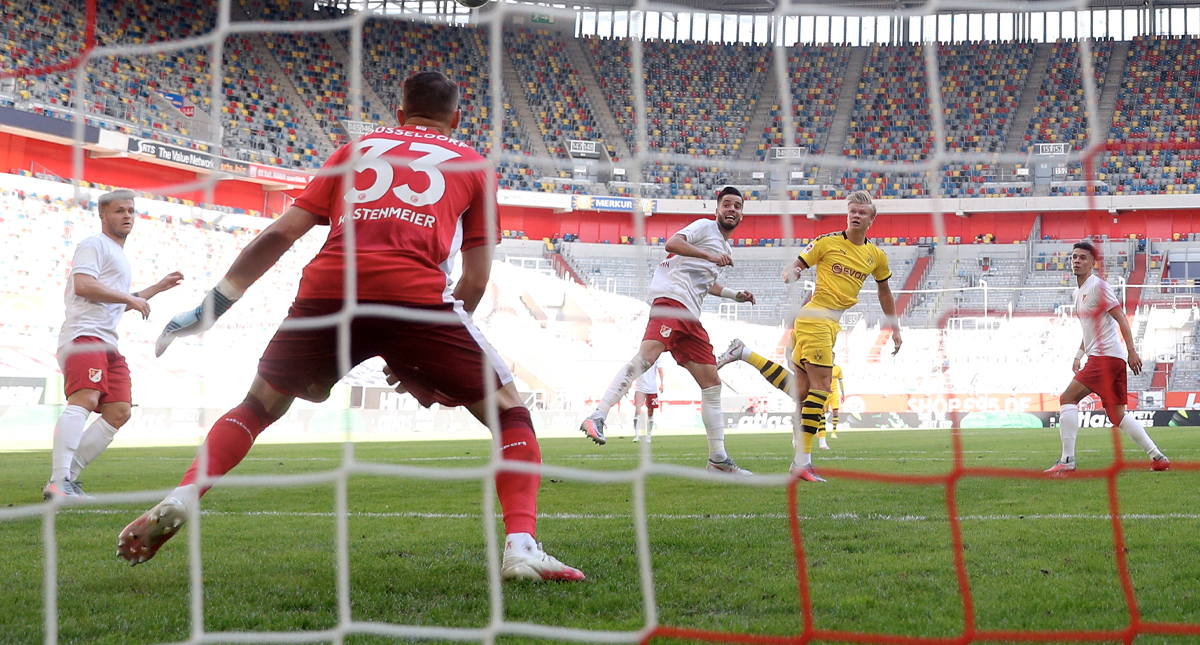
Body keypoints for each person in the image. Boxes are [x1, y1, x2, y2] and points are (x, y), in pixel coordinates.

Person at [116, 71, 584, 582]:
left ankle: (184, 494)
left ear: (400, 115)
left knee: (257, 406)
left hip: (328, 290)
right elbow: (473, 279)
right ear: (455, 119)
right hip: (416, 298)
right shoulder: (472, 163)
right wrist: (420, 362)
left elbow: (281, 233)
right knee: (510, 413)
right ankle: (520, 545)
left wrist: (214, 305)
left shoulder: (355, 150)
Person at [719, 191, 900, 482]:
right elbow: (795, 266)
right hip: (815, 318)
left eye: (861, 212)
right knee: (823, 387)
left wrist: (895, 328)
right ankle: (802, 462)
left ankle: (743, 353)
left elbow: (885, 292)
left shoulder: (876, 256)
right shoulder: (826, 242)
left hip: (829, 326)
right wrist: (791, 273)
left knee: (801, 392)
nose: (855, 216)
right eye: (852, 211)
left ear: (871, 219)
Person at [580, 187, 757, 475]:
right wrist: (708, 255)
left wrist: (735, 294)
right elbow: (672, 244)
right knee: (646, 358)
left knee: (712, 383)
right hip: (671, 302)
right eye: (727, 204)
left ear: (741, 215)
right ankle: (597, 416)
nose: (732, 210)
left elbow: (704, 282)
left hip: (690, 315)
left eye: (737, 206)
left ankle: (718, 459)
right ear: (717, 210)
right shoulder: (704, 227)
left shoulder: (726, 249)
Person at [44, 189, 183, 500]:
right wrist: (129, 297)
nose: (127, 216)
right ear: (103, 215)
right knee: (86, 398)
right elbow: (83, 285)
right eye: (120, 211)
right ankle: (58, 480)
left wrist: (157, 288)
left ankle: (69, 481)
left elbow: (116, 304)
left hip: (107, 341)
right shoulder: (94, 244)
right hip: (84, 336)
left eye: (131, 210)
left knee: (120, 410)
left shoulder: (119, 255)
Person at [1045, 241, 1170, 476]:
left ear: (1093, 263)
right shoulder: (1077, 292)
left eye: (1082, 257)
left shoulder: (1098, 287)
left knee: (1067, 398)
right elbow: (1089, 329)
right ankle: (1157, 457)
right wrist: (1079, 354)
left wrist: (1132, 350)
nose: (1077, 261)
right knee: (1116, 415)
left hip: (1105, 357)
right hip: (1107, 358)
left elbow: (1121, 318)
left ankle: (1067, 461)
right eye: (1074, 257)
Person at [631, 355, 666, 443]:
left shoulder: (657, 357)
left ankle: (648, 436)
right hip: (640, 388)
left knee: (650, 412)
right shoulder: (639, 356)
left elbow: (660, 370)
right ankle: (637, 435)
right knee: (637, 410)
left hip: (652, 388)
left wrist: (662, 383)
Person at [817, 357, 845, 449]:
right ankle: (820, 431)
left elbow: (840, 382)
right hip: (825, 392)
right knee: (822, 413)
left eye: (833, 356)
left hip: (834, 393)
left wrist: (843, 393)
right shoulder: (824, 368)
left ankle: (833, 432)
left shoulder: (837, 369)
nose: (831, 357)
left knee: (835, 411)